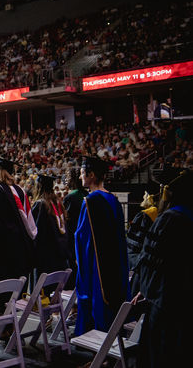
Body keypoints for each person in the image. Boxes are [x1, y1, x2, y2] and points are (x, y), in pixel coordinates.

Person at [133, 170, 193, 367]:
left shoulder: (169, 219)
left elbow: (150, 262)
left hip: (165, 302)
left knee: (161, 355)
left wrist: (145, 288)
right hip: (185, 302)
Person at [74, 156, 130, 336]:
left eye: (83, 173)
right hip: (115, 262)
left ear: (91, 175)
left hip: (96, 265)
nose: (81, 176)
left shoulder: (90, 201)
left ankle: (98, 352)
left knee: (97, 300)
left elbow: (82, 237)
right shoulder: (112, 199)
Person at [0, 156, 36, 312]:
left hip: (1, 259)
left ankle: (3, 330)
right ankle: (11, 328)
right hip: (19, 257)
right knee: (12, 298)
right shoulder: (20, 192)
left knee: (0, 301)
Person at [30, 174, 70, 287]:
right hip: (59, 257)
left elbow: (34, 233)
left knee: (42, 296)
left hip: (45, 259)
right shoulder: (58, 204)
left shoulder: (41, 205)